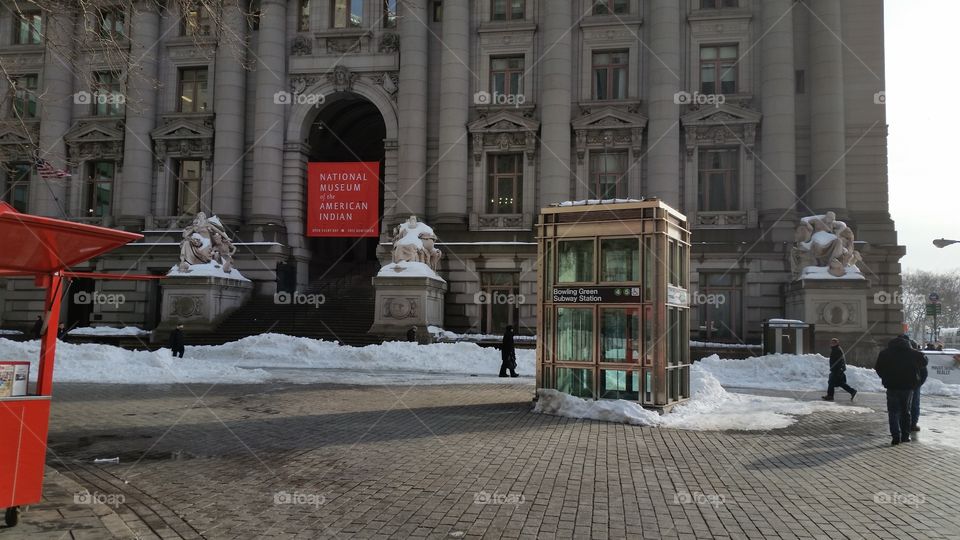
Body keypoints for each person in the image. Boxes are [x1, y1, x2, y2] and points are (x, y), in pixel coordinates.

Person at [875, 335, 924, 446]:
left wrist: (885, 377)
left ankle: (895, 436)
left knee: (893, 412)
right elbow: (924, 362)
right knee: (906, 412)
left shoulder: (885, 354)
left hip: (892, 386)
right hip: (907, 387)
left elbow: (878, 368)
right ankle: (905, 436)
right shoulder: (913, 353)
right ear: (907, 343)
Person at [911, 347, 929, 433]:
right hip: (914, 385)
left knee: (897, 407)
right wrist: (918, 383)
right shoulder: (918, 355)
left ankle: (899, 426)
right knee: (914, 405)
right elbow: (924, 373)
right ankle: (913, 424)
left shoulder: (892, 354)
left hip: (896, 385)